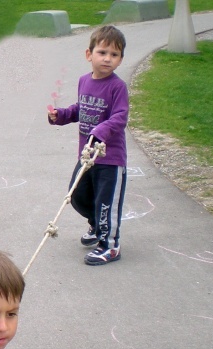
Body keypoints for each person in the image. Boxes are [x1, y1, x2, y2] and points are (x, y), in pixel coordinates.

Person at [48, 25, 129, 266]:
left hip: (110, 159)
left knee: (106, 204)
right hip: (87, 158)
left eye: (114, 55)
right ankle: (96, 226)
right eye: (102, 52)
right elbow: (80, 109)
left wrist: (100, 131)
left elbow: (120, 117)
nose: (107, 59)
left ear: (120, 59)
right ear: (89, 55)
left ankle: (110, 246)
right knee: (77, 195)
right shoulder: (85, 81)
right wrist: (60, 115)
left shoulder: (117, 87)